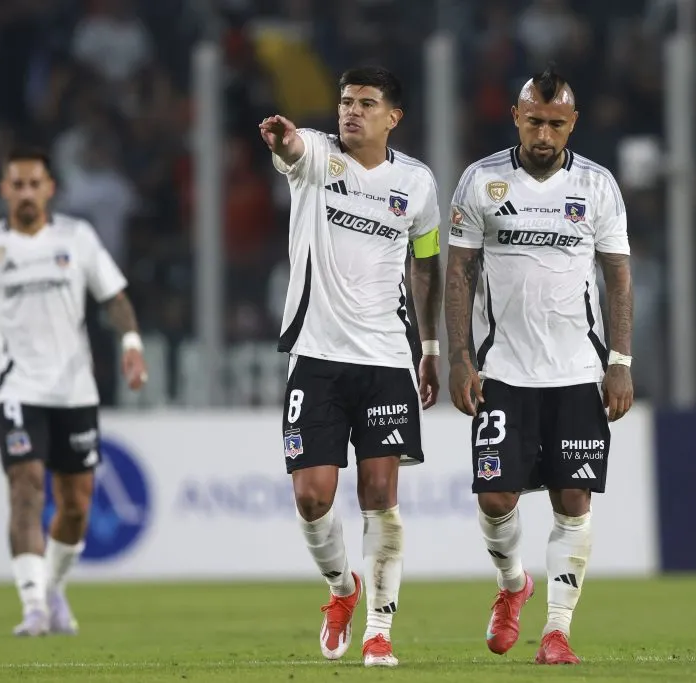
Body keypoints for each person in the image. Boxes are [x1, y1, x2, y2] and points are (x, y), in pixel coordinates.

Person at [444, 67, 634, 665]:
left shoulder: (598, 186)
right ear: (516, 117)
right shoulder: (481, 181)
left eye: (556, 123)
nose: (545, 134)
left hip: (578, 370)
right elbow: (458, 273)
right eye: (535, 121)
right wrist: (459, 357)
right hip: (503, 369)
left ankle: (557, 631)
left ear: (572, 123)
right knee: (496, 498)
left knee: (572, 499)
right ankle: (511, 586)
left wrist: (621, 361)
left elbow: (618, 278)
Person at [258, 66, 442, 668]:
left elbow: (426, 262)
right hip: (315, 355)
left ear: (395, 117)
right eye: (344, 102)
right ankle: (342, 590)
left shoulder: (416, 184)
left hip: (387, 357)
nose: (351, 112)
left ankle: (380, 631)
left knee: (381, 494)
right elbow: (292, 148)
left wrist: (431, 347)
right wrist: (284, 138)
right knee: (312, 497)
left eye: (366, 103)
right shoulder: (317, 157)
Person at [0, 147, 148, 636]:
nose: (27, 192)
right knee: (26, 487)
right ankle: (32, 606)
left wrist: (131, 343)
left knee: (75, 507)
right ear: (4, 189)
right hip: (17, 389)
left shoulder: (77, 238)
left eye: (35, 184)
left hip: (74, 391)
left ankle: (51, 586)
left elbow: (113, 298)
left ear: (50, 188)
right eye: (18, 184)